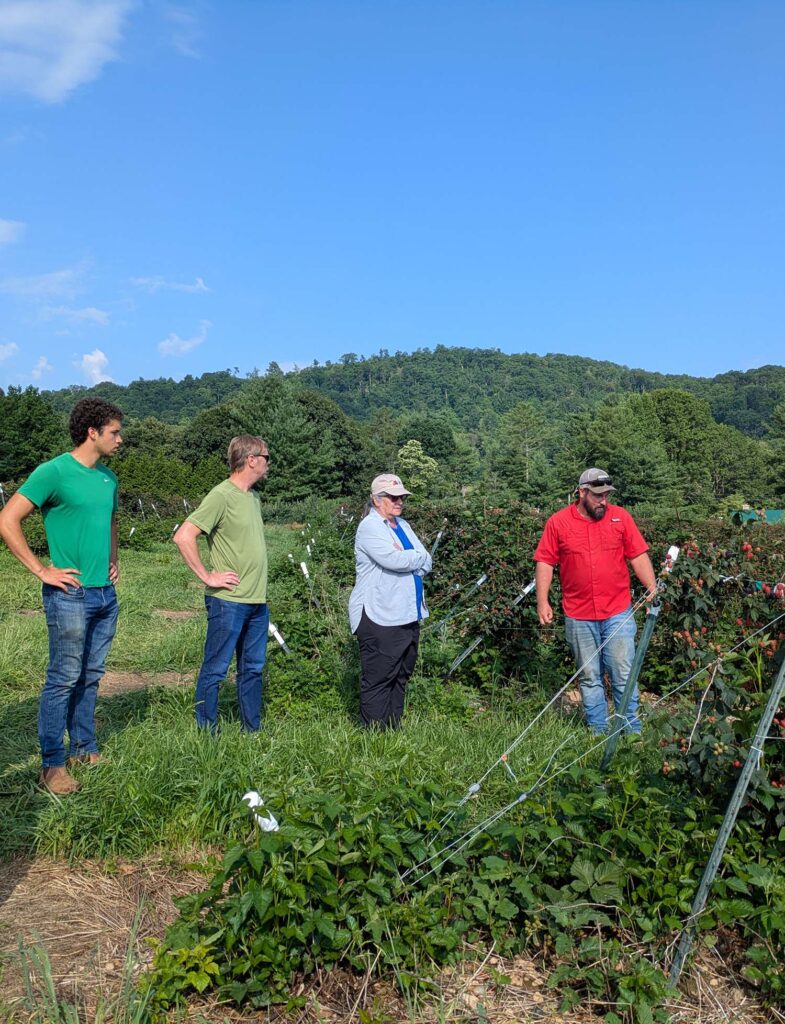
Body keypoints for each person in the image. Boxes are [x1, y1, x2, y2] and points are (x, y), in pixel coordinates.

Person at [0, 398, 124, 794]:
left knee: (91, 676)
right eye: (115, 432)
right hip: (69, 595)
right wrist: (41, 570)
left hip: (105, 595)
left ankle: (84, 747)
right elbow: (7, 519)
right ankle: (52, 765)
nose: (120, 439)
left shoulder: (108, 478)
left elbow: (111, 520)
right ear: (93, 432)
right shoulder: (53, 471)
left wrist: (113, 558)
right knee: (63, 678)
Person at [533, 467, 656, 734]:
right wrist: (542, 601)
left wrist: (651, 586)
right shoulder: (558, 523)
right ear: (582, 493)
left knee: (623, 673)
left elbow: (637, 555)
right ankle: (597, 731)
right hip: (578, 613)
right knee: (589, 676)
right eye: (598, 496)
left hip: (617, 610)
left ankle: (631, 731)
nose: (603, 501)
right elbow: (545, 561)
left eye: (606, 496)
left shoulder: (621, 518)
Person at [173, 435, 270, 733]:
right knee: (216, 669)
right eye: (266, 457)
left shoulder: (252, 497)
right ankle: (207, 733)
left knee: (252, 669)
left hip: (256, 601)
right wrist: (207, 575)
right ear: (251, 459)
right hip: (228, 601)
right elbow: (184, 535)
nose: (269, 463)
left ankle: (252, 731)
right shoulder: (221, 495)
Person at [349, 474, 432, 728]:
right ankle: (373, 735)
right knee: (379, 676)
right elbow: (392, 561)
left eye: (402, 497)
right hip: (380, 615)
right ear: (376, 500)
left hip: (407, 613)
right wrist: (413, 557)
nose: (399, 502)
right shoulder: (370, 527)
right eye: (393, 497)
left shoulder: (403, 525)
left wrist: (410, 557)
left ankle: (393, 729)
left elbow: (427, 561)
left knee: (401, 675)